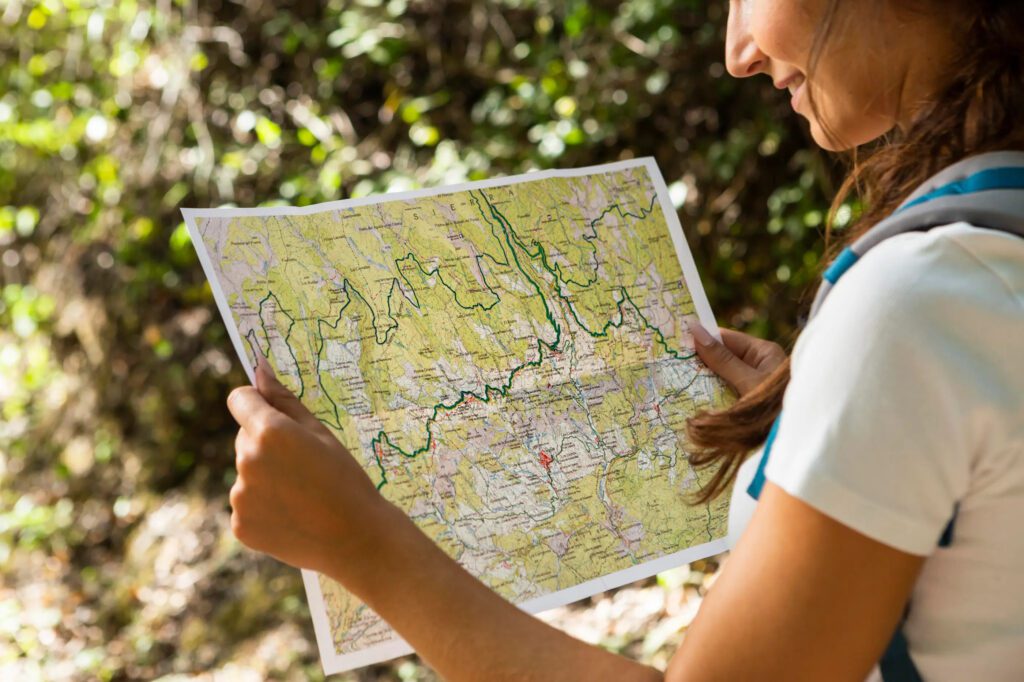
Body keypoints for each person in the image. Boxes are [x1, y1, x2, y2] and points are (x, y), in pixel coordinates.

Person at [224, 1, 1024, 679]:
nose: (737, 53)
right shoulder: (981, 256)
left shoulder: (920, 301)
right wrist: (829, 406)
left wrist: (366, 549)